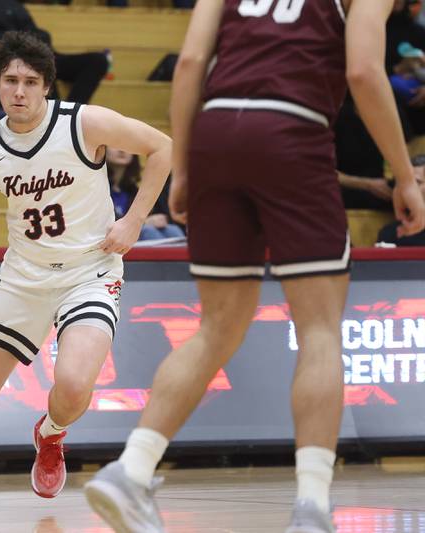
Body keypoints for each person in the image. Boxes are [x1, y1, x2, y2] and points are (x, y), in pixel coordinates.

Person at [83, 2, 425, 533]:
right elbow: (362, 68)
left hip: (217, 129)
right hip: (293, 127)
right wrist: (404, 174)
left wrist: (187, 166)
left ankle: (131, 469)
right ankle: (311, 509)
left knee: (215, 327)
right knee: (318, 331)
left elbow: (193, 61)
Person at [0, 31, 172, 505]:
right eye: (11, 80)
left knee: (76, 383)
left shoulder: (84, 123)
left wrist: (134, 219)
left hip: (90, 271)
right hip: (23, 275)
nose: (20, 91)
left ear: (46, 86)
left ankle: (52, 434)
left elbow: (162, 147)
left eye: (31, 82)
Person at [107, 148, 185, 241]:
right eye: (114, 145)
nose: (122, 150)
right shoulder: (99, 187)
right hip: (110, 235)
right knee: (148, 231)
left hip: (131, 232)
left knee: (172, 230)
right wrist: (145, 222)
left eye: (126, 146)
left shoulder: (133, 190)